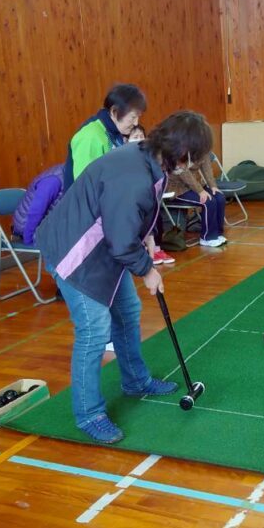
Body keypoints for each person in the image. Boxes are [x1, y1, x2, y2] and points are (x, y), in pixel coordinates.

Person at [36, 110, 215, 443]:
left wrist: (148, 238)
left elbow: (136, 217)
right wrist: (148, 271)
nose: (193, 165)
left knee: (128, 312)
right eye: (194, 157)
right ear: (181, 150)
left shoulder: (151, 159)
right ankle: (89, 415)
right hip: (75, 252)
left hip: (102, 248)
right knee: (94, 331)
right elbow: (120, 240)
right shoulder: (133, 174)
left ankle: (135, 380)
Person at [62, 83, 147, 189]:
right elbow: (86, 188)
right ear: (114, 112)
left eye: (138, 117)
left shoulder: (115, 132)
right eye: (133, 117)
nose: (136, 123)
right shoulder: (90, 136)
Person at [127, 124, 174, 266]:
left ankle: (156, 251)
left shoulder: (149, 158)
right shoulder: (125, 157)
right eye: (135, 137)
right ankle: (144, 253)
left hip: (149, 197)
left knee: (156, 217)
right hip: (134, 201)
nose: (139, 139)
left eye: (141, 136)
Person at [168, 154, 227, 247]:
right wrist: (200, 191)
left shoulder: (202, 149)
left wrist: (213, 186)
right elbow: (185, 174)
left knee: (219, 197)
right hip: (177, 189)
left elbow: (207, 168)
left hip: (195, 186)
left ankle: (217, 234)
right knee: (208, 201)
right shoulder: (179, 150)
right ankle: (207, 238)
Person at [12, 164, 64, 245]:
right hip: (27, 227)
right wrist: (28, 240)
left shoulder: (67, 175)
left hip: (46, 224)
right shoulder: (54, 181)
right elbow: (35, 212)